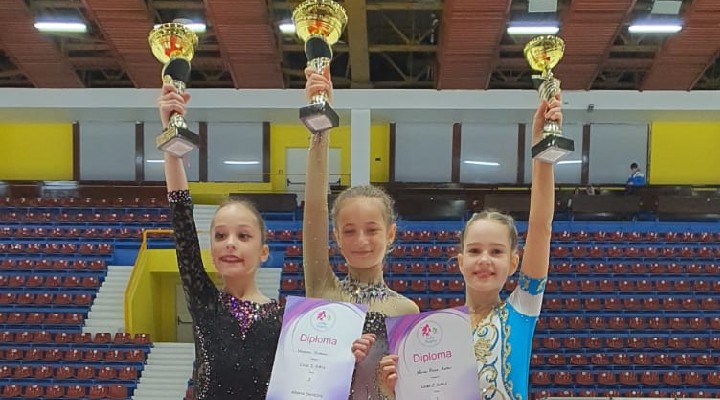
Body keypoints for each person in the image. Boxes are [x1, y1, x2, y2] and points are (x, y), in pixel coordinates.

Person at [157, 83, 374, 400]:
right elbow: (182, 223)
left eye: (243, 235)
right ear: (211, 251)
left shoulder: (288, 319)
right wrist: (171, 141)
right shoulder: (204, 301)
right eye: (220, 235)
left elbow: (315, 380)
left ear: (263, 252)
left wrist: (351, 358)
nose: (230, 243)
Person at [379, 94, 562, 400]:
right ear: (460, 261)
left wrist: (542, 150)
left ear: (514, 263)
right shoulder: (436, 333)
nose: (485, 260)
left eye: (497, 251)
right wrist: (392, 389)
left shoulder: (522, 308)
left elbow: (542, 225)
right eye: (475, 251)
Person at [303, 67, 419, 399]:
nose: (361, 241)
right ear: (336, 237)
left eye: (372, 230)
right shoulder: (323, 287)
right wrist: (320, 130)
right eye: (349, 231)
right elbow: (315, 208)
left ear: (391, 234)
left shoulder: (407, 312)